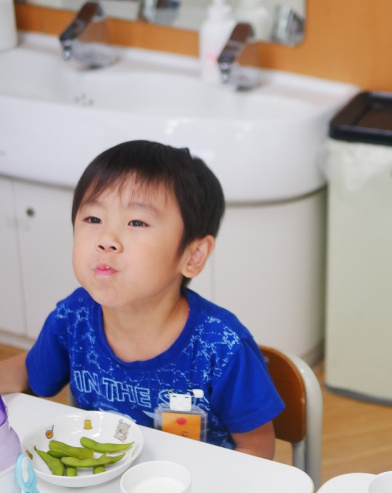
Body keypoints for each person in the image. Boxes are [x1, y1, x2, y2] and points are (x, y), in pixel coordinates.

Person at [0, 140, 284, 459]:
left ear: (193, 255)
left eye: (137, 222)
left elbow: (256, 447)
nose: (107, 240)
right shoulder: (73, 317)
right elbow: (31, 372)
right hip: (103, 481)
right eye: (93, 218)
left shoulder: (222, 347)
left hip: (195, 486)